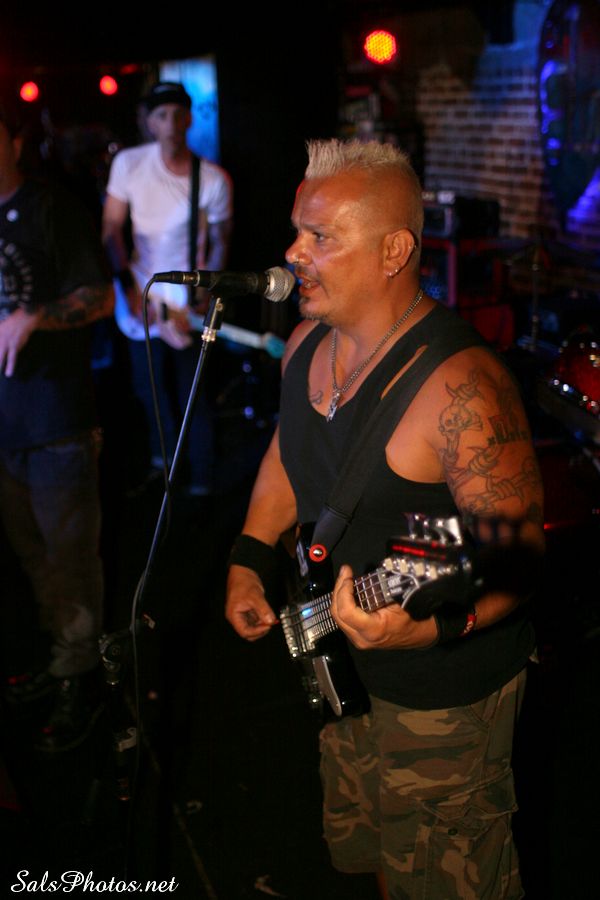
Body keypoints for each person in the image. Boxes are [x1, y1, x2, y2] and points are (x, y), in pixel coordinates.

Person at [225, 139, 544, 899]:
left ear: (394, 251)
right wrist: (249, 555)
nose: (293, 253)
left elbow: (521, 556)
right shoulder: (304, 344)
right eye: (297, 231)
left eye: (320, 236)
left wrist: (428, 629)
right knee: (374, 850)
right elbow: (288, 455)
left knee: (443, 876)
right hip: (344, 668)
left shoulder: (463, 387)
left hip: (444, 693)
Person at [0, 99, 114, 752]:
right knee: (32, 557)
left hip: (57, 422)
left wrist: (34, 316)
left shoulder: (51, 208)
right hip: (5, 428)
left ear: (15, 143)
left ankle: (81, 679)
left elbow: (100, 297)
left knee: (70, 558)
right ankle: (61, 659)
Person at [102, 81, 233, 495]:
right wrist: (127, 288)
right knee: (150, 391)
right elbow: (111, 229)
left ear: (190, 119)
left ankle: (202, 480)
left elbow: (221, 241)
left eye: (178, 114)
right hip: (140, 296)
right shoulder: (128, 164)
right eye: (162, 115)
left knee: (192, 393)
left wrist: (205, 293)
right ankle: (164, 470)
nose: (171, 124)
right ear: (149, 122)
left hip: (185, 302)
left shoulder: (211, 179)